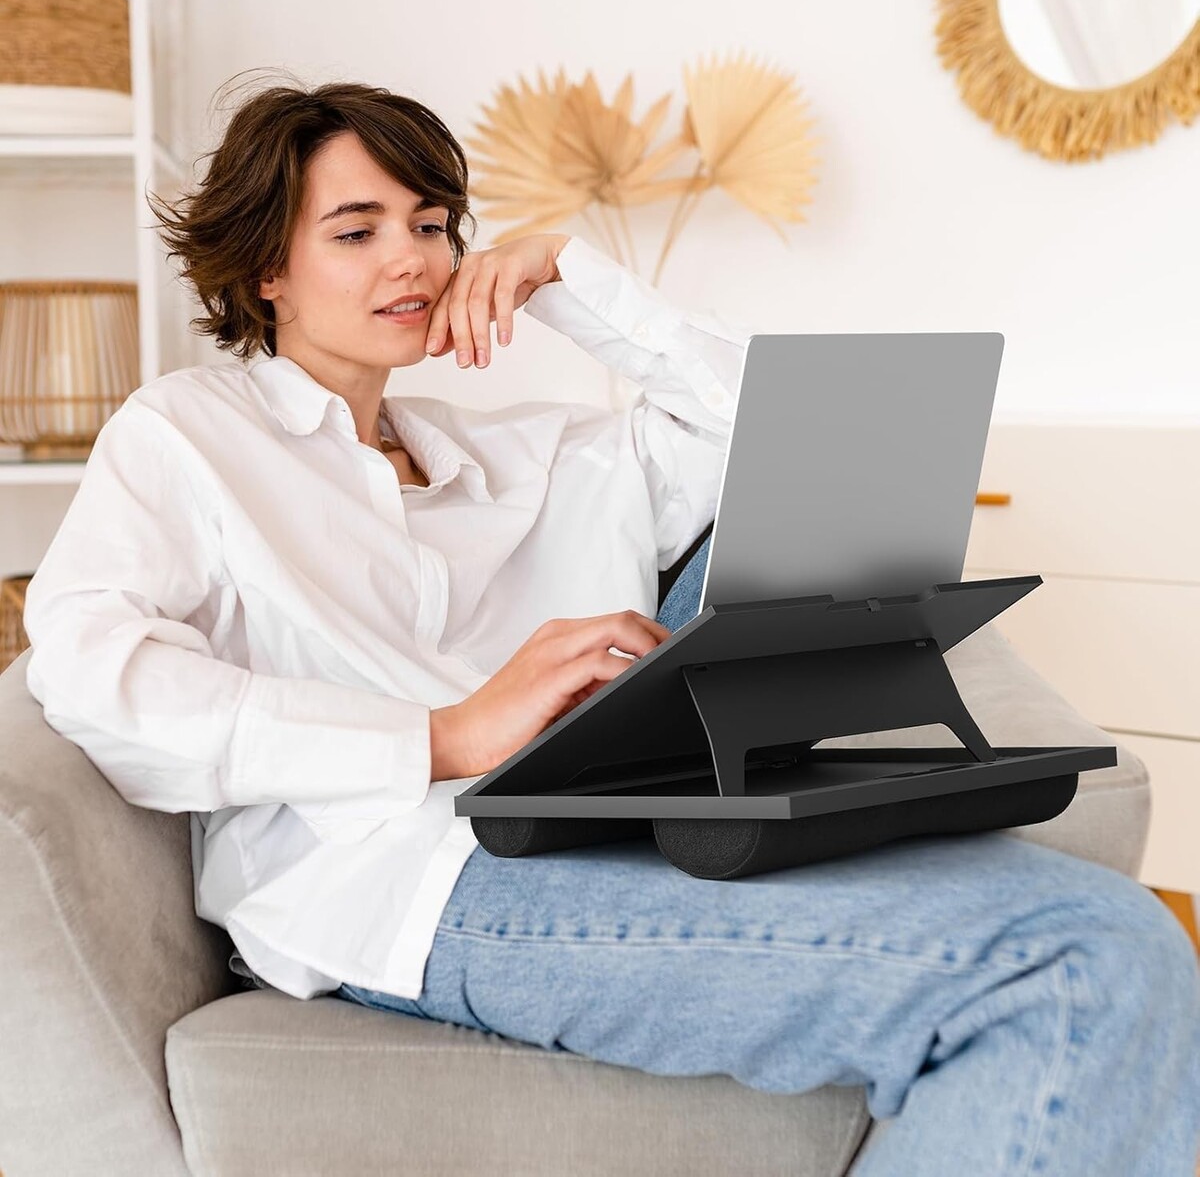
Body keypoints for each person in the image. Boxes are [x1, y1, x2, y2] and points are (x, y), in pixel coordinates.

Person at [22, 80, 1198, 1176]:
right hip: (411, 881)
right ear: (266, 268)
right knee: (1078, 962)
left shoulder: (519, 452)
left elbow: (808, 435)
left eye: (431, 225)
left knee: (1108, 933)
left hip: (614, 826)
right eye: (357, 230)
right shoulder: (188, 435)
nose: (413, 258)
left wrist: (570, 279)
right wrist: (440, 735)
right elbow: (86, 668)